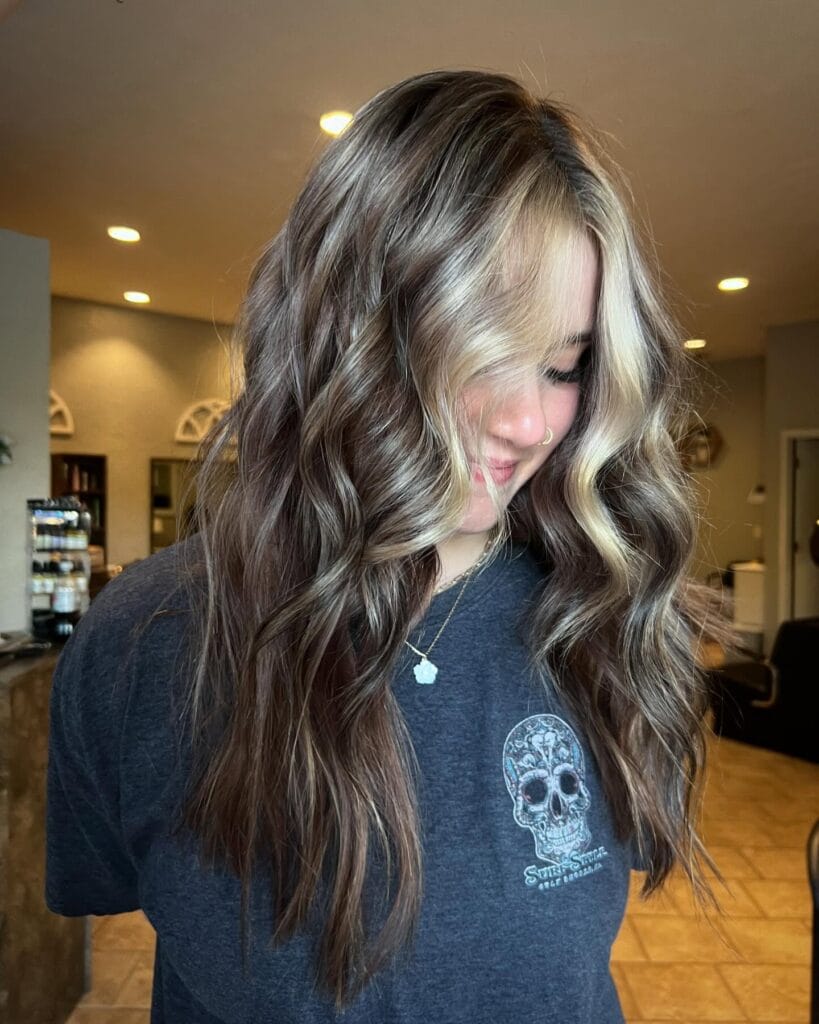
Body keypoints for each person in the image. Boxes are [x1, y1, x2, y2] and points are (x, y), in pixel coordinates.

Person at [45, 69, 733, 1022]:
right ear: (347, 333)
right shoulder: (146, 639)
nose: (530, 421)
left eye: (564, 364)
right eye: (482, 350)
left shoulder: (606, 622)